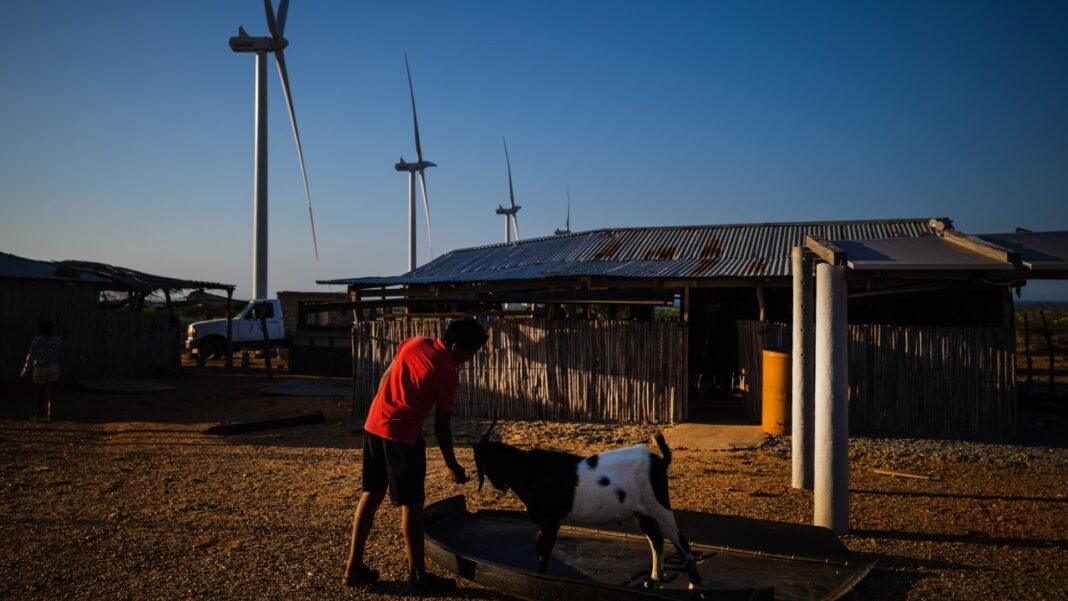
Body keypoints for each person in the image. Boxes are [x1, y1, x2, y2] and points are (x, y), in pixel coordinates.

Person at [343, 316, 488, 594]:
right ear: (456, 346)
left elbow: (388, 373)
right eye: (471, 352)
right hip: (402, 436)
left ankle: (353, 567)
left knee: (371, 494)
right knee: (412, 504)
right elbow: (442, 425)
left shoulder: (415, 342)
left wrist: (386, 406)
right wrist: (452, 464)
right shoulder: (447, 370)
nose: (472, 358)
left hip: (374, 424)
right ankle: (417, 577)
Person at [20, 320, 62, 422]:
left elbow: (31, 355)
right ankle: (49, 415)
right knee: (50, 393)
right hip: (53, 367)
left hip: (39, 367)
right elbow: (59, 354)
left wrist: (25, 370)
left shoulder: (37, 340)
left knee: (39, 392)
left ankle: (38, 415)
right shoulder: (57, 340)